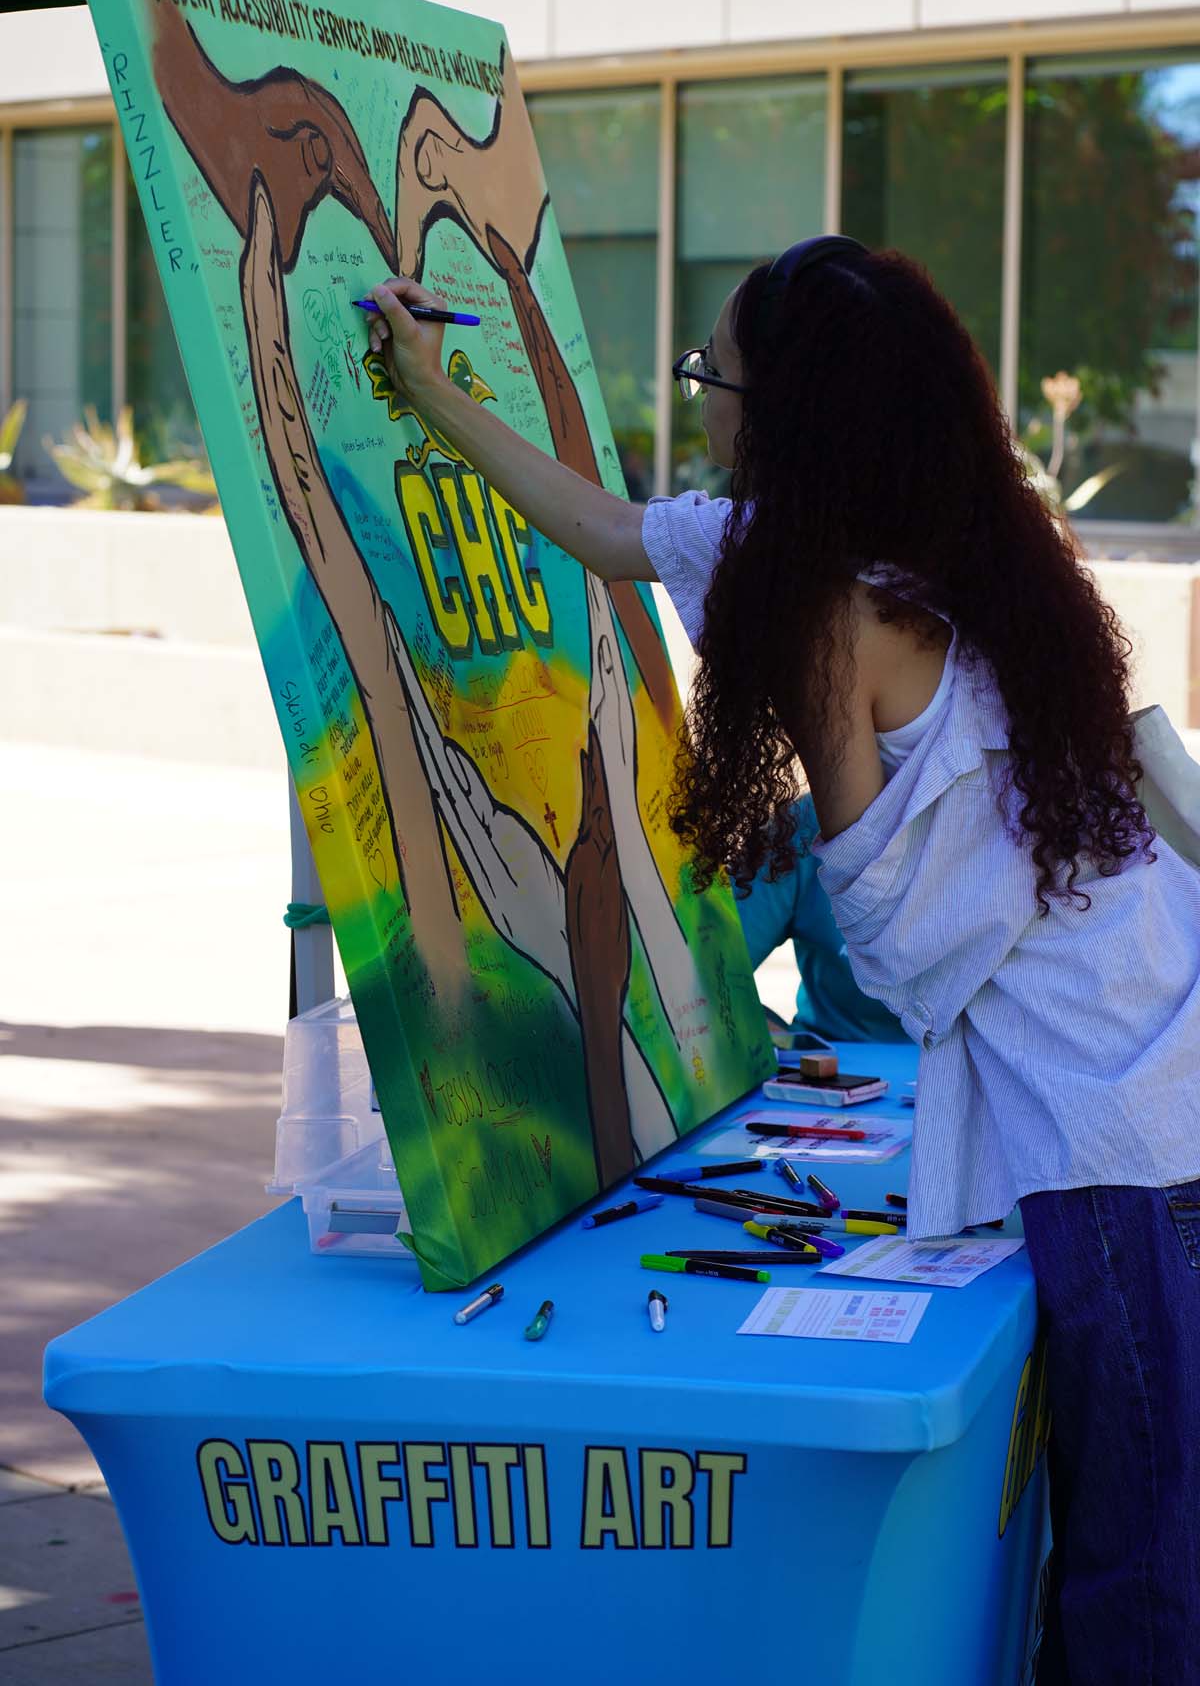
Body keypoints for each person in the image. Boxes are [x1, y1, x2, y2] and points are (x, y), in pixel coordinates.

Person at [365, 238, 1200, 1685]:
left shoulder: (826, 601)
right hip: (1153, 1059)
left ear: (796, 413)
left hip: (1125, 1138)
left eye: (714, 378)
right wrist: (428, 392)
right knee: (1145, 1552)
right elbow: (615, 532)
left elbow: (882, 915)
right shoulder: (976, 550)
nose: (705, 408)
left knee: (1143, 1579)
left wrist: (429, 389)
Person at [735, 798, 907, 1046]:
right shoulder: (804, 827)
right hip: (827, 1064)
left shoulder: (980, 820)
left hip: (975, 1072)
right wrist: (785, 1050)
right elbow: (704, 974)